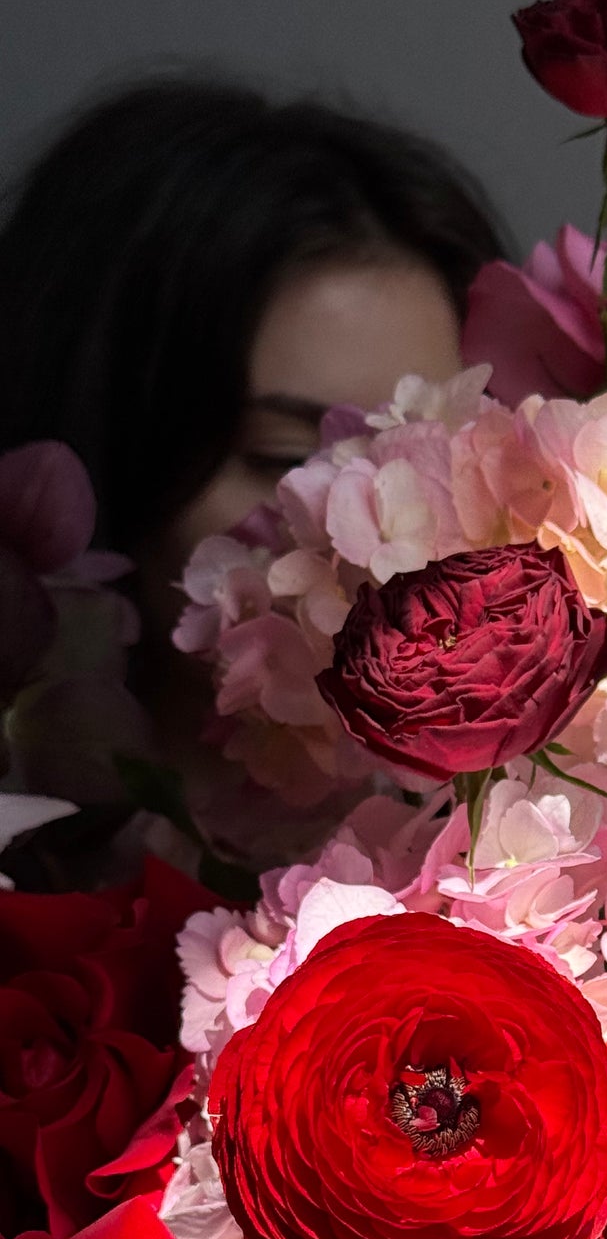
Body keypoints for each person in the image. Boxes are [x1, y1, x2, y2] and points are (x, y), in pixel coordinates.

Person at [0, 78, 507, 879]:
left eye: (427, 468)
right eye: (281, 457)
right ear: (101, 438)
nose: (371, 549)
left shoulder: (524, 854)